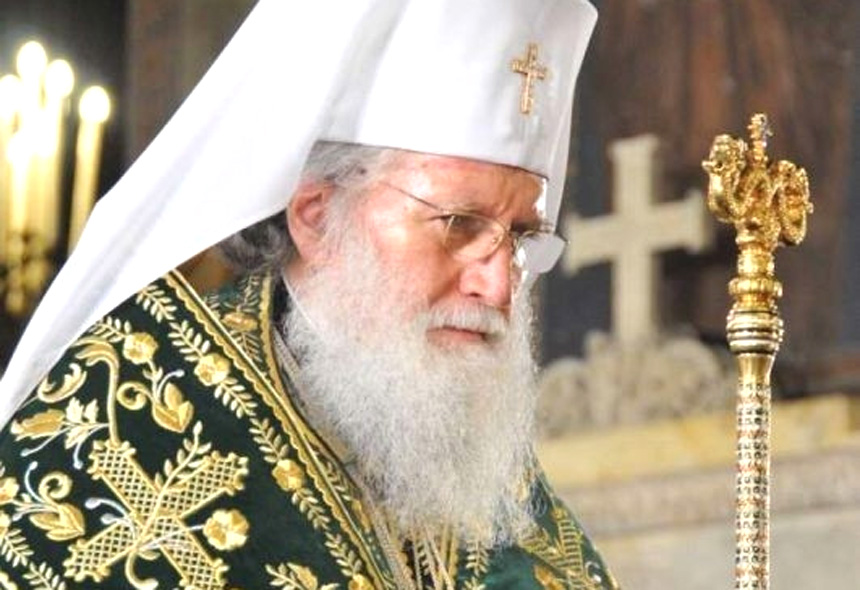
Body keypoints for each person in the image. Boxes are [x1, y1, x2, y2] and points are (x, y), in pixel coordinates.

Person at [0, 0, 618, 588]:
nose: (499, 284)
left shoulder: (491, 485)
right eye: (457, 224)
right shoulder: (120, 426)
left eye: (522, 238)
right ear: (318, 218)